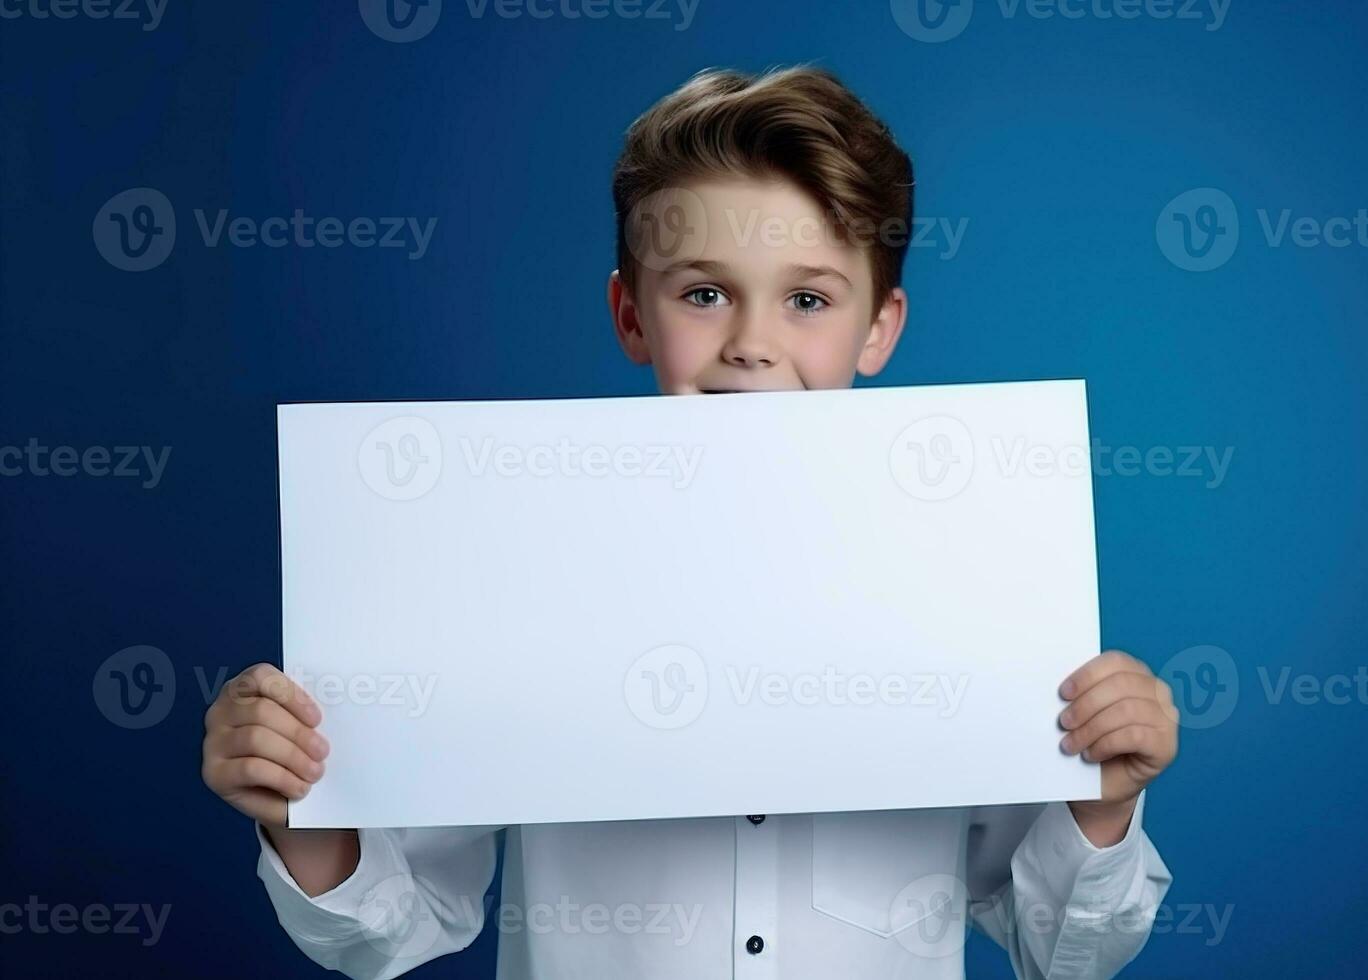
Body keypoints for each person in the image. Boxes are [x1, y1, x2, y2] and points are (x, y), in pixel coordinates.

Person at [202, 65, 1178, 979]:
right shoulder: (513, 562)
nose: (752, 344)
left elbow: (1061, 947)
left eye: (807, 298)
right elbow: (398, 922)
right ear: (632, 314)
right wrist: (309, 815)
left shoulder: (978, 576)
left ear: (880, 325)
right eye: (703, 293)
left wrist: (1104, 800)